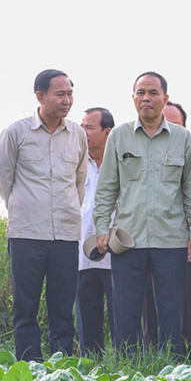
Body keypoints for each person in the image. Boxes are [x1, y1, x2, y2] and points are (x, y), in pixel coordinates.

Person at [94, 71, 191, 360]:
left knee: (172, 311)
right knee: (126, 311)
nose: (147, 98)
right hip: (128, 240)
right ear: (133, 98)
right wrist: (101, 228)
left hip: (171, 240)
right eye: (141, 92)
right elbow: (106, 187)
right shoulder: (119, 136)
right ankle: (127, 370)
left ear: (165, 98)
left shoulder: (183, 138)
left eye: (153, 92)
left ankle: (173, 370)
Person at [0, 70, 88, 362]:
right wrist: (24, 208)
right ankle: (29, 363)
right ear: (40, 96)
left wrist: (68, 210)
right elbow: (3, 180)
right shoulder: (17, 132)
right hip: (26, 234)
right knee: (26, 306)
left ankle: (62, 362)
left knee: (62, 306)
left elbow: (79, 182)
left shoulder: (77, 134)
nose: (67, 100)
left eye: (70, 93)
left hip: (66, 234)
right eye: (60, 94)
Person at [141, 100, 191, 351]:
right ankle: (150, 359)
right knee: (149, 307)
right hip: (145, 241)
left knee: (183, 307)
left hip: (181, 241)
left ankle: (181, 361)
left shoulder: (190, 152)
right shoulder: (139, 153)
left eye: (174, 123)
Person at [77, 106, 116, 355]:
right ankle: (91, 364)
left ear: (107, 131)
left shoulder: (120, 163)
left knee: (120, 313)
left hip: (114, 253)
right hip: (81, 252)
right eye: (81, 127)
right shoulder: (76, 162)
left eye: (89, 127)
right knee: (86, 314)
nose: (83, 132)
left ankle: (126, 363)